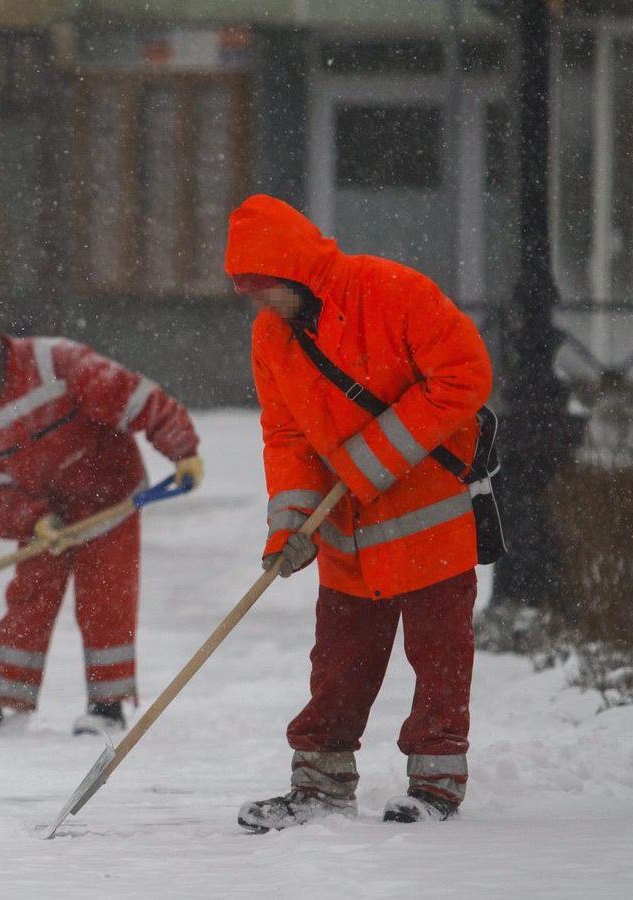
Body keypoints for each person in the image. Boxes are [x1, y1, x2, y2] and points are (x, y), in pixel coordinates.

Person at [223, 194, 493, 831]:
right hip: (345, 531)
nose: (259, 306)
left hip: (429, 518)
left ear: (293, 273)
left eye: (263, 290)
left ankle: (435, 787)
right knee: (339, 660)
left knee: (440, 657)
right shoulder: (272, 337)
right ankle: (318, 784)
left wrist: (366, 462)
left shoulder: (391, 291)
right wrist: (290, 524)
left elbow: (465, 374)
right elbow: (286, 436)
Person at [0, 307, 203, 736]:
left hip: (109, 496)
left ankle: (107, 706)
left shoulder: (55, 362)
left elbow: (136, 398)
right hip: (49, 513)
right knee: (28, 597)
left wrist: (182, 451)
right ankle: (0, 701)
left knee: (105, 597)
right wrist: (34, 522)